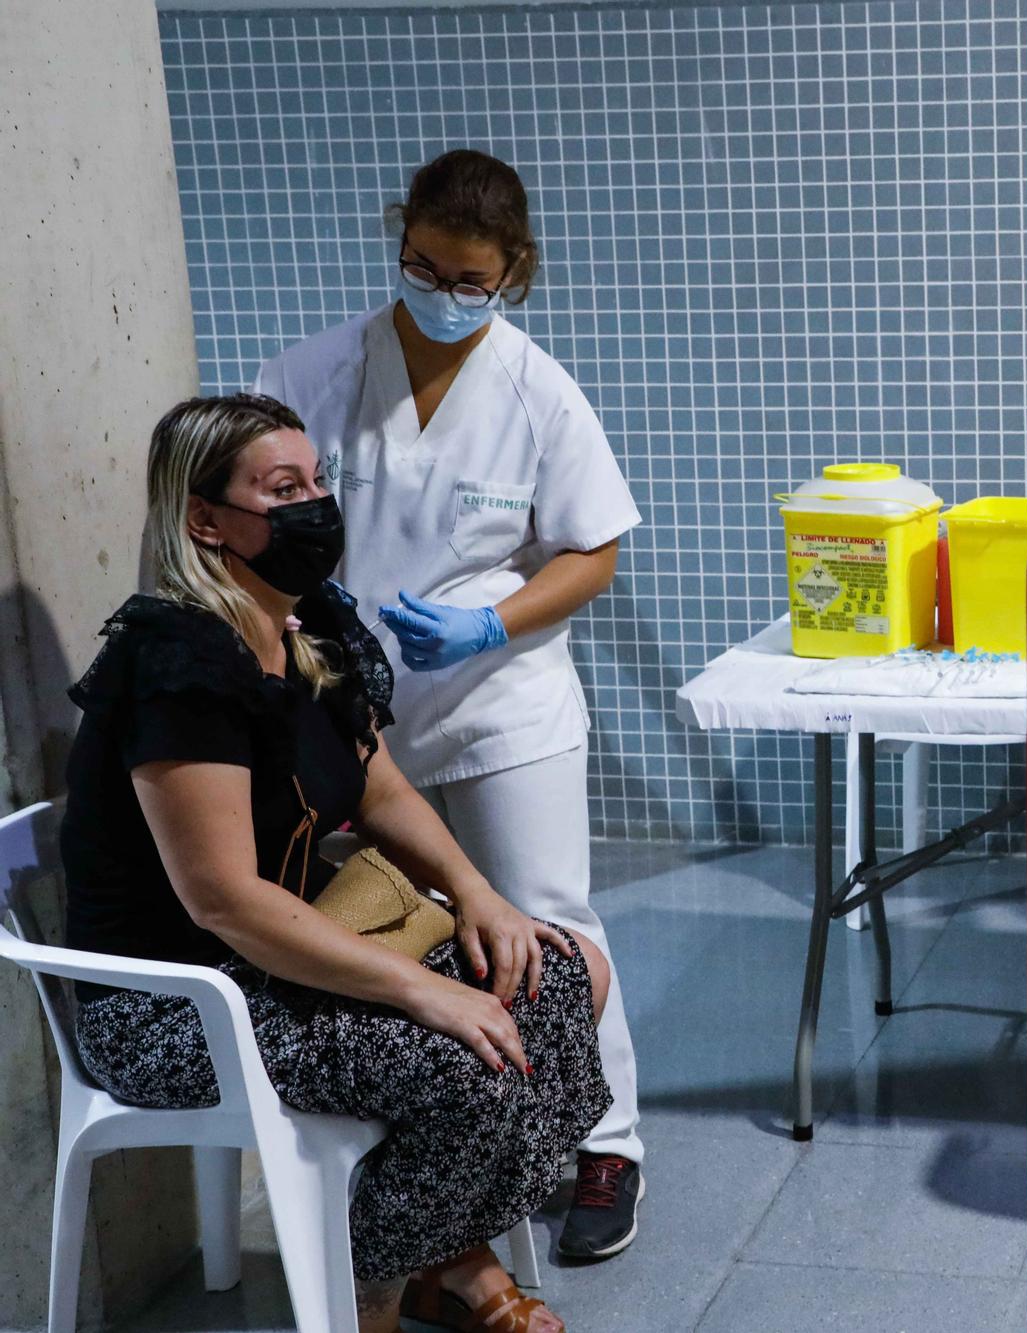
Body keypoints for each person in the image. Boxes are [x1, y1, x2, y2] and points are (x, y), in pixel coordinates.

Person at [64, 394, 607, 1333]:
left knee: (559, 973)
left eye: (318, 481)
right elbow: (224, 900)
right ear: (205, 518)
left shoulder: (301, 623)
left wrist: (479, 896)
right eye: (284, 489)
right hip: (178, 1002)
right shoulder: (178, 662)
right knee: (466, 1063)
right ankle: (369, 1287)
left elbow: (380, 789)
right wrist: (418, 988)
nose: (317, 505)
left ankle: (443, 1254)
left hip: (290, 955)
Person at [252, 148, 646, 1259]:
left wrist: (493, 621)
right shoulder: (318, 369)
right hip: (355, 705)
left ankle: (607, 1144)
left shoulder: (535, 389)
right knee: (413, 927)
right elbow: (262, 501)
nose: (444, 290)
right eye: (423, 265)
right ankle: (466, 1145)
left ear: (513, 271)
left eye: (471, 279)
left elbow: (593, 553)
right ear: (400, 237)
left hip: (498, 698)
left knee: (546, 916)